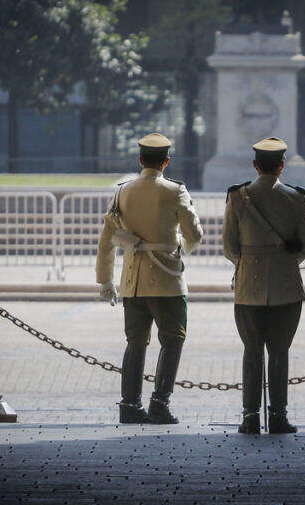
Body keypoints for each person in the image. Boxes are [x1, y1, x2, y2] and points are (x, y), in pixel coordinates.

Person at [96, 133, 203, 425]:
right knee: (173, 340)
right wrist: (180, 247)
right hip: (167, 279)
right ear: (166, 161)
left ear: (141, 160)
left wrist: (105, 281)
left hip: (133, 280)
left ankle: (130, 405)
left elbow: (106, 240)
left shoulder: (122, 192)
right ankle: (159, 403)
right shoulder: (175, 191)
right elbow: (195, 234)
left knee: (135, 342)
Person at [222, 136, 305, 434]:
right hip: (286, 285)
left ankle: (249, 416)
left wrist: (248, 264)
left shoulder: (237, 197)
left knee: (251, 351)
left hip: (249, 284)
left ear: (255, 165)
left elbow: (229, 247)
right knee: (279, 351)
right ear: (282, 167)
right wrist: (282, 264)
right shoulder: (296, 198)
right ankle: (278, 416)